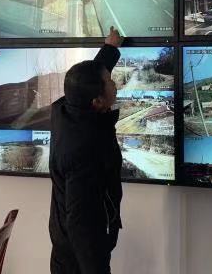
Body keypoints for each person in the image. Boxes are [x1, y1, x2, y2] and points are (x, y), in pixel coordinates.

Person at [49, 26, 124, 274]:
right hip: (79, 260)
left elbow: (85, 82)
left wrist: (110, 49)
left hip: (66, 245)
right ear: (98, 101)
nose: (114, 84)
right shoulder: (85, 149)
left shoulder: (67, 110)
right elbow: (81, 224)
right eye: (110, 82)